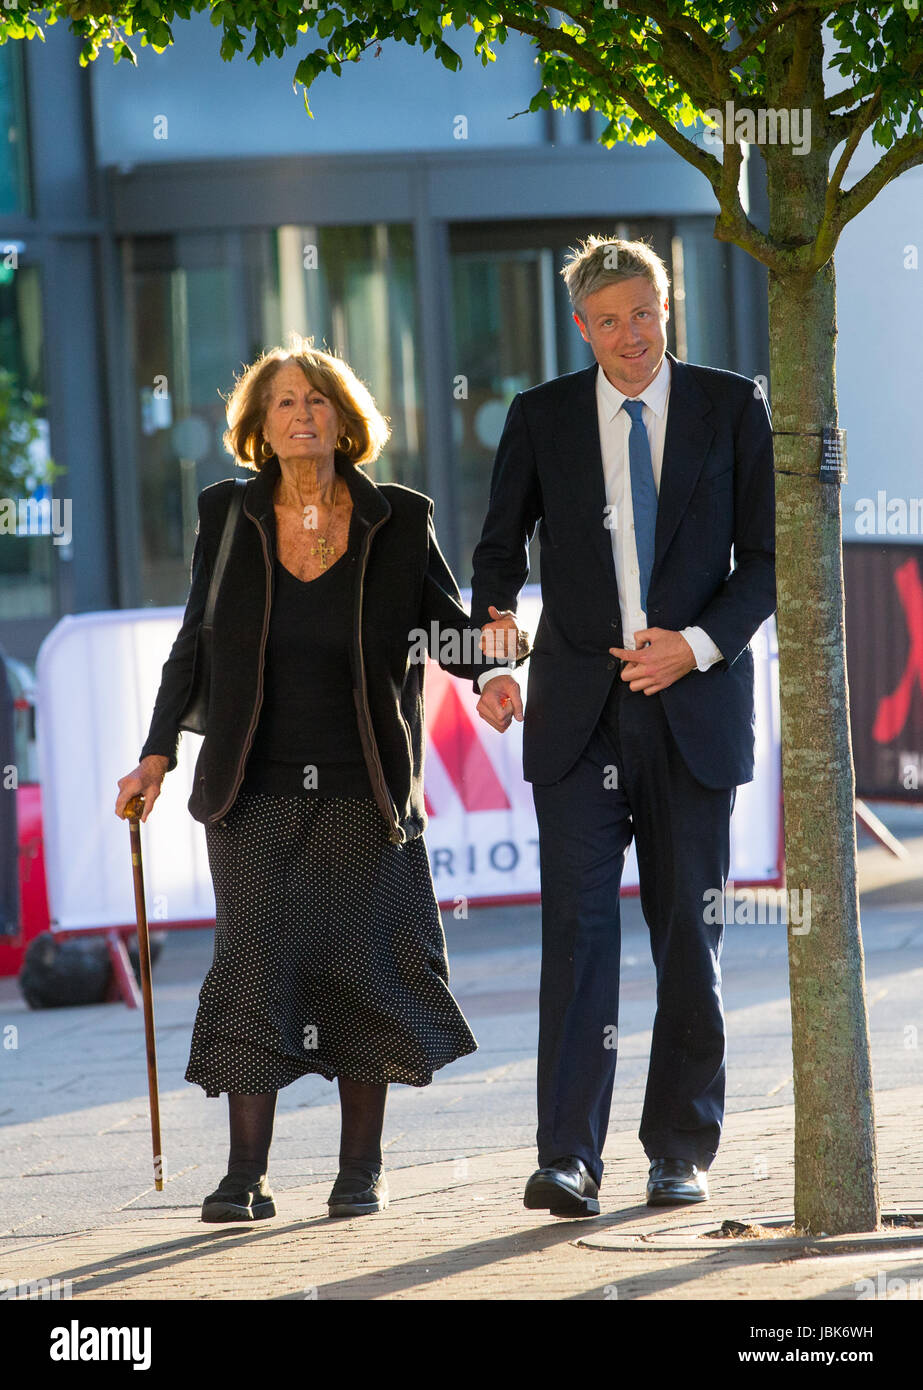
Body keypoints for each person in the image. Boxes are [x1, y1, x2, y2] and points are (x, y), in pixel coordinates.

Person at [115, 338, 526, 1222]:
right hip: (251, 789)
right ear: (259, 428)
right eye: (284, 405)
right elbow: (193, 644)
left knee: (362, 973)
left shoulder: (397, 518)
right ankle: (243, 1175)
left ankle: (358, 1171)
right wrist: (157, 754)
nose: (302, 417)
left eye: (317, 401)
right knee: (254, 968)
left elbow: (445, 635)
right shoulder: (228, 515)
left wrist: (493, 668)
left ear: (345, 417)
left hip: (363, 787)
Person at [470, 236, 776, 1216]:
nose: (630, 335)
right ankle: (566, 1156)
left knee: (687, 933)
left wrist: (692, 644)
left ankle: (677, 1148)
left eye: (643, 313)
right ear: (581, 327)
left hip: (689, 709)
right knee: (577, 934)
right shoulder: (541, 416)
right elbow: (494, 546)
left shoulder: (732, 406)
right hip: (575, 714)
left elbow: (766, 562)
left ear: (666, 307)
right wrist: (494, 649)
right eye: (609, 320)